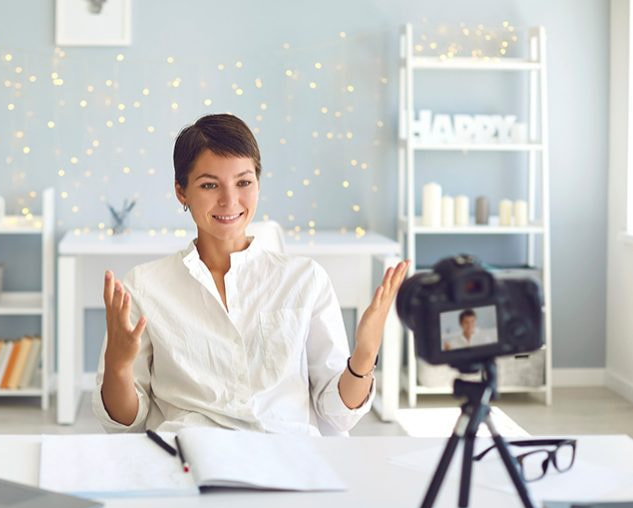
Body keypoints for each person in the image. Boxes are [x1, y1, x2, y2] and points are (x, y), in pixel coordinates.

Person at [92, 114, 409, 435]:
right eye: (209, 185)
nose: (229, 200)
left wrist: (365, 355)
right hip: (187, 456)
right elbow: (123, 425)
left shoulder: (305, 279)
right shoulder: (145, 287)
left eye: (243, 182)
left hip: (286, 458)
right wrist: (118, 367)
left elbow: (338, 415)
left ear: (257, 182)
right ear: (181, 192)